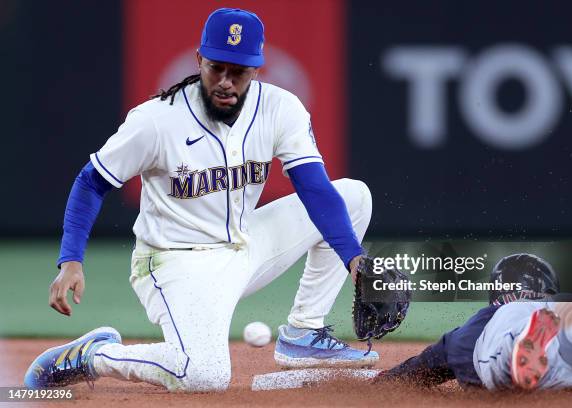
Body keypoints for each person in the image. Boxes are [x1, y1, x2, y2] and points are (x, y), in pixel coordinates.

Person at [24, 8, 377, 392]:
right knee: (203, 375)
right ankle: (95, 354)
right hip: (177, 262)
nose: (225, 82)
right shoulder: (156, 120)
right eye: (216, 68)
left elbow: (315, 190)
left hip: (244, 247)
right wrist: (70, 260)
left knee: (353, 196)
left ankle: (304, 332)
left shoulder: (279, 108)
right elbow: (91, 182)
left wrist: (354, 261)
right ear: (199, 61)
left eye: (238, 71)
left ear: (257, 69)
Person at [376, 254, 572, 390]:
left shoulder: (485, 320)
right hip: (568, 317)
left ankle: (520, 352)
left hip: (505, 334)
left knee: (499, 355)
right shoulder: (566, 303)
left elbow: (417, 370)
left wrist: (385, 381)